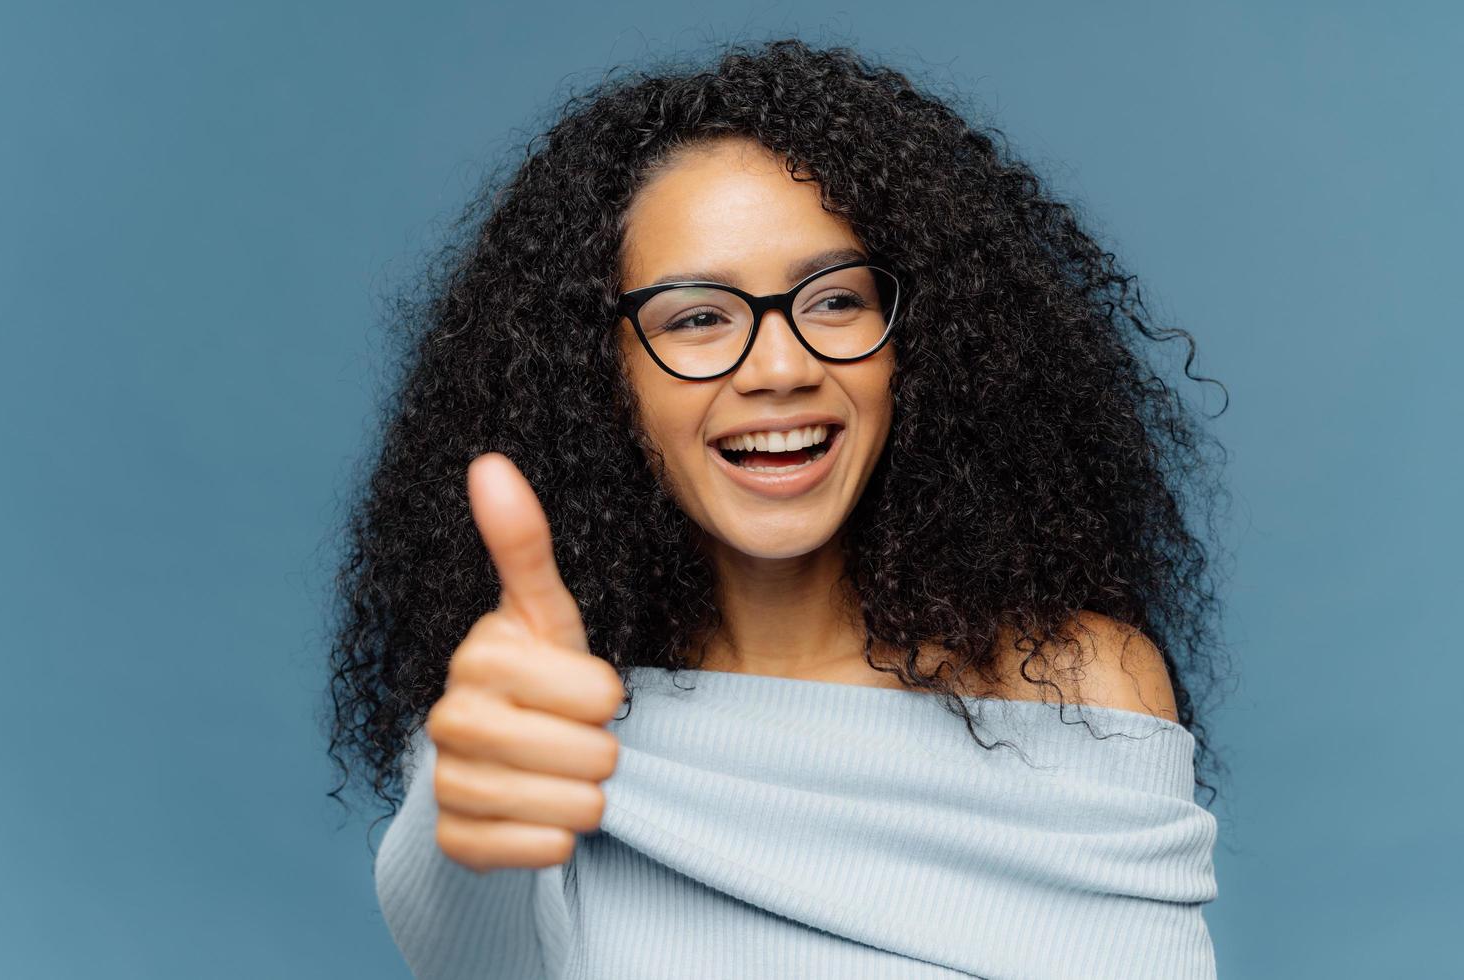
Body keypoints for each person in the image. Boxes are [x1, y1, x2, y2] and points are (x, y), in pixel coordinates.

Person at [326, 37, 1232, 979]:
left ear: (914, 345)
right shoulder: (534, 716)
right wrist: (456, 807)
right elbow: (475, 957)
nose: (782, 369)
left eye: (833, 300)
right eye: (698, 316)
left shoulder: (1080, 688)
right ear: (602, 375)